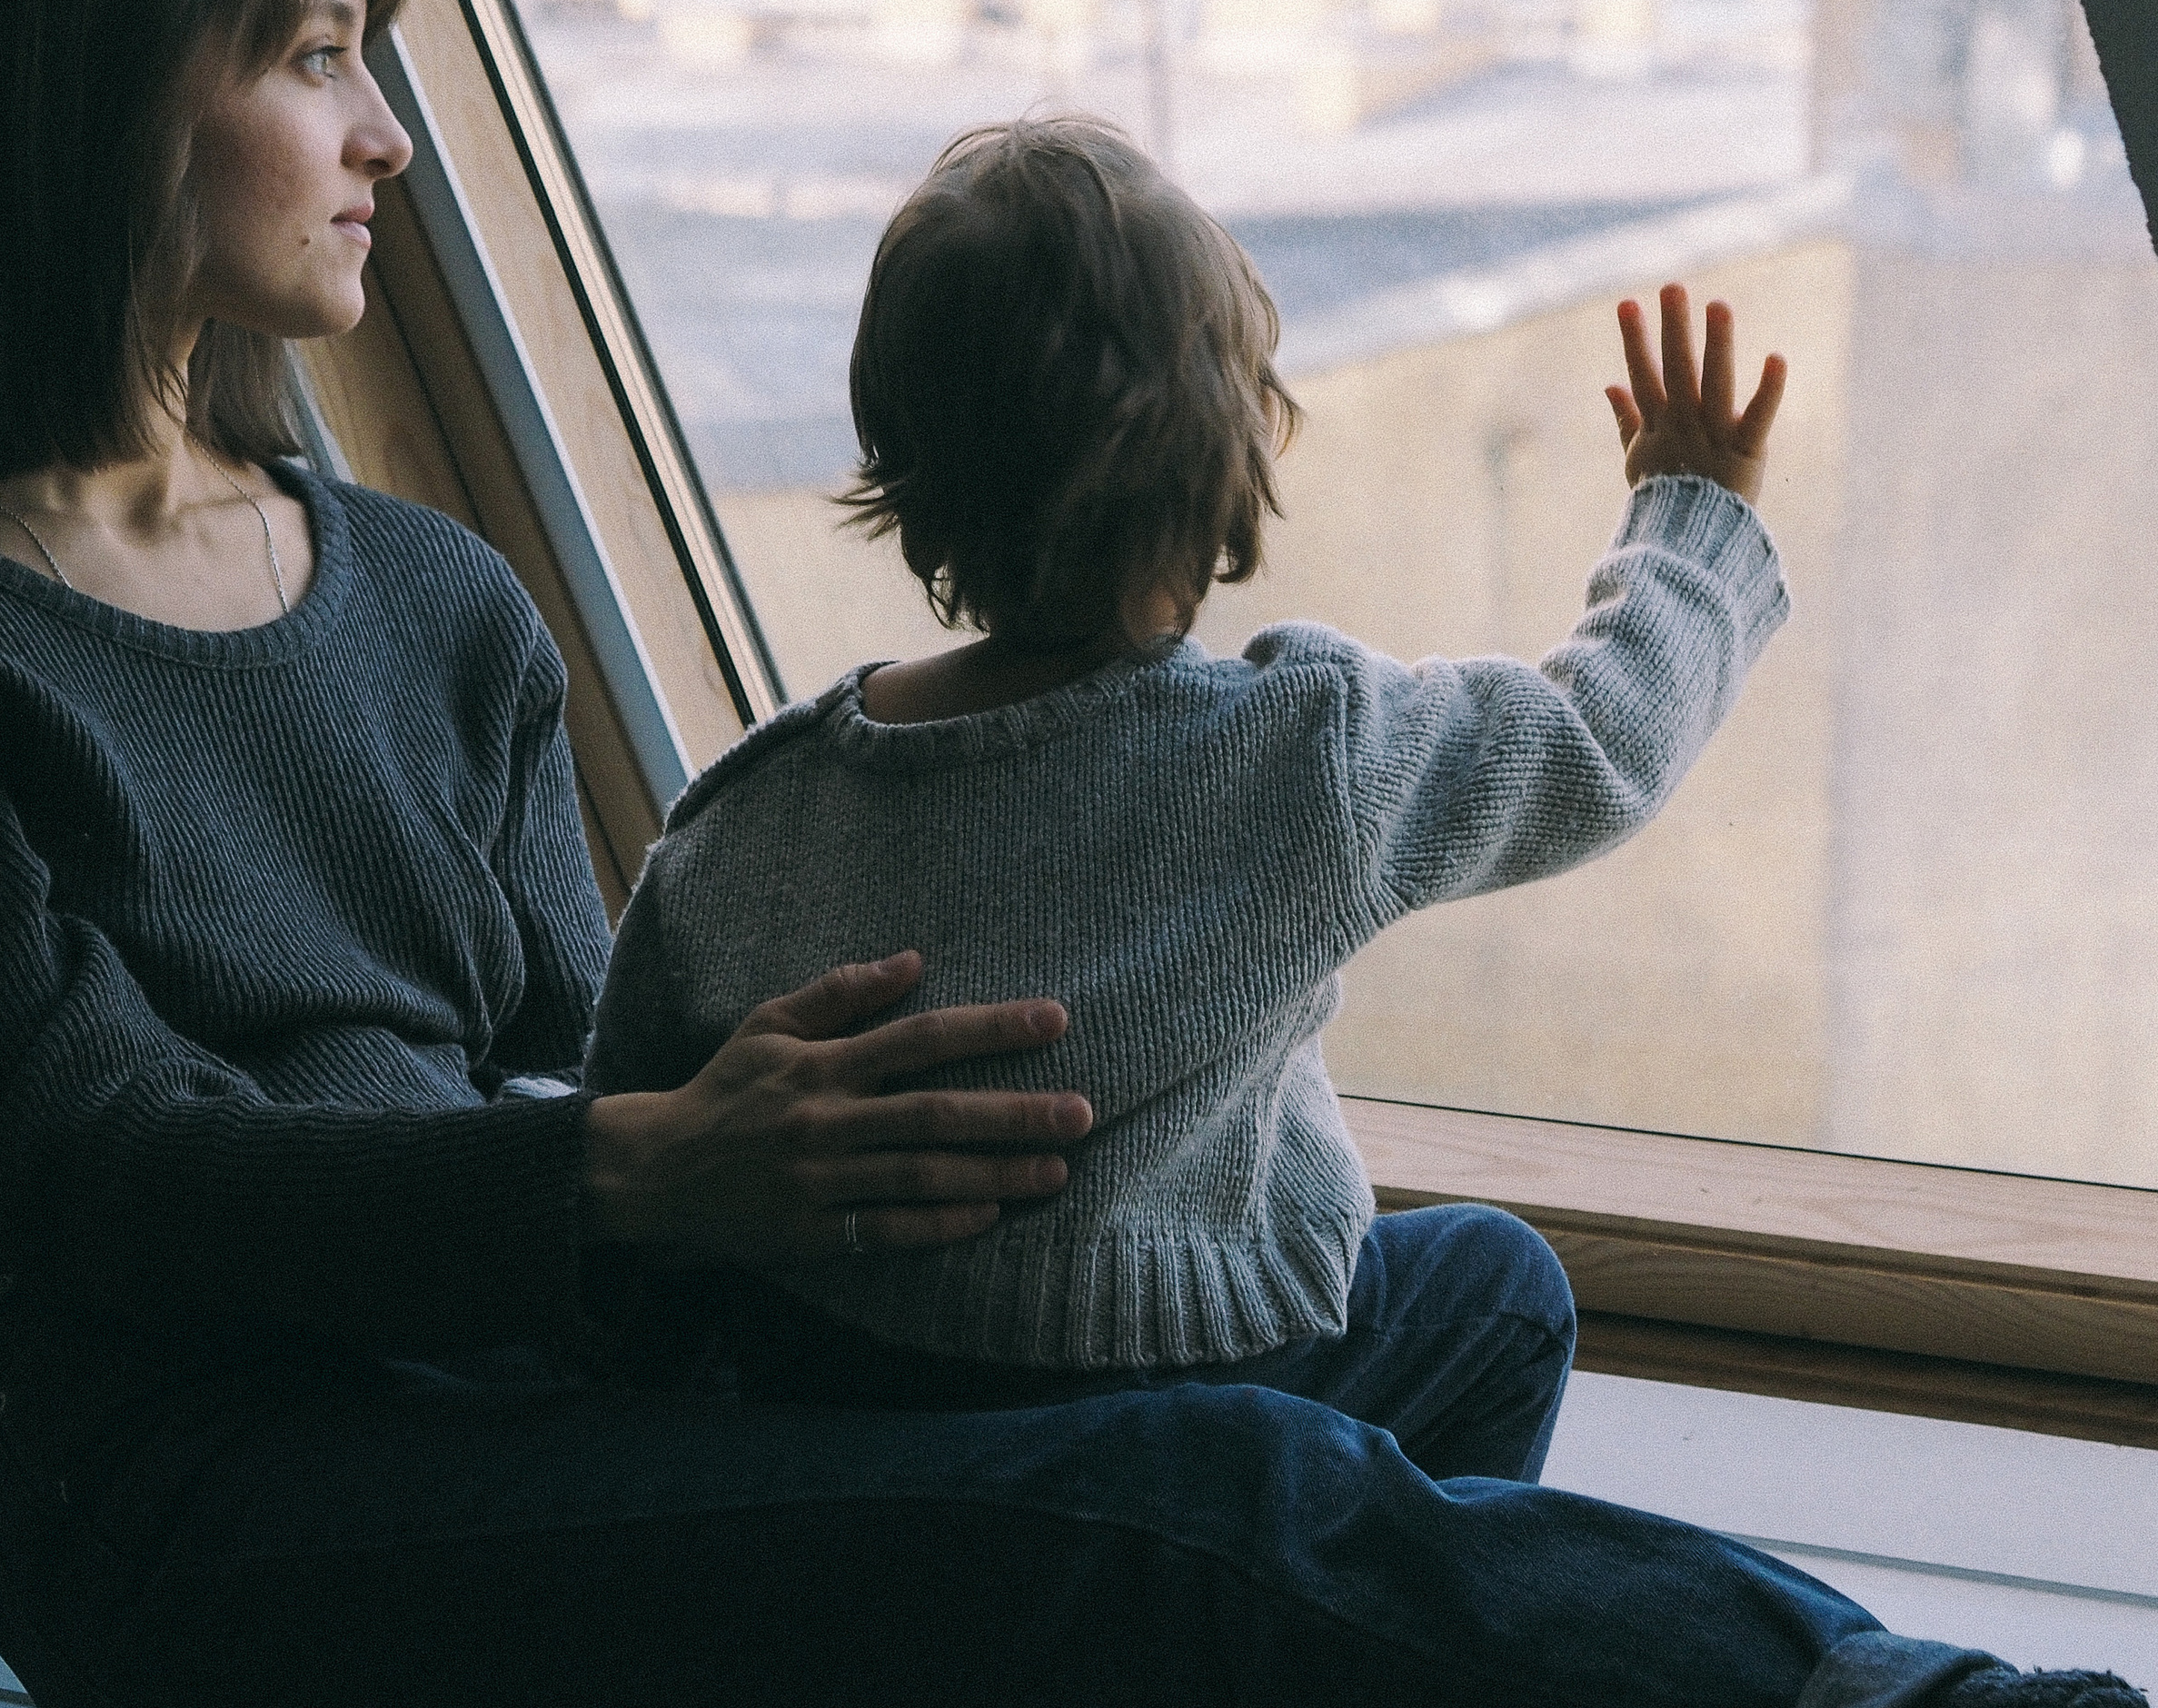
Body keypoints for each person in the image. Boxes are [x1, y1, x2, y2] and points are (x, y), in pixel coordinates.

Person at [0, 0, 2150, 1708]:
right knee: (1198, 1503)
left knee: (1444, 1309)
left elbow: (582, 1034)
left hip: (571, 1412)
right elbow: (108, 1170)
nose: (391, 140)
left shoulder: (422, 590)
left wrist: (801, 1218)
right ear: (105, 92)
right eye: (317, 55)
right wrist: (653, 1169)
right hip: (251, 1547)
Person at [588, 119, 1784, 1405]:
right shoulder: (1303, 749)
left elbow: (638, 1129)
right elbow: (1595, 743)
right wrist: (1687, 517)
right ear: (1234, 449)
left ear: (899, 455)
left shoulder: (749, 813)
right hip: (1206, 1379)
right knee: (1500, 1286)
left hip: (848, 1386)